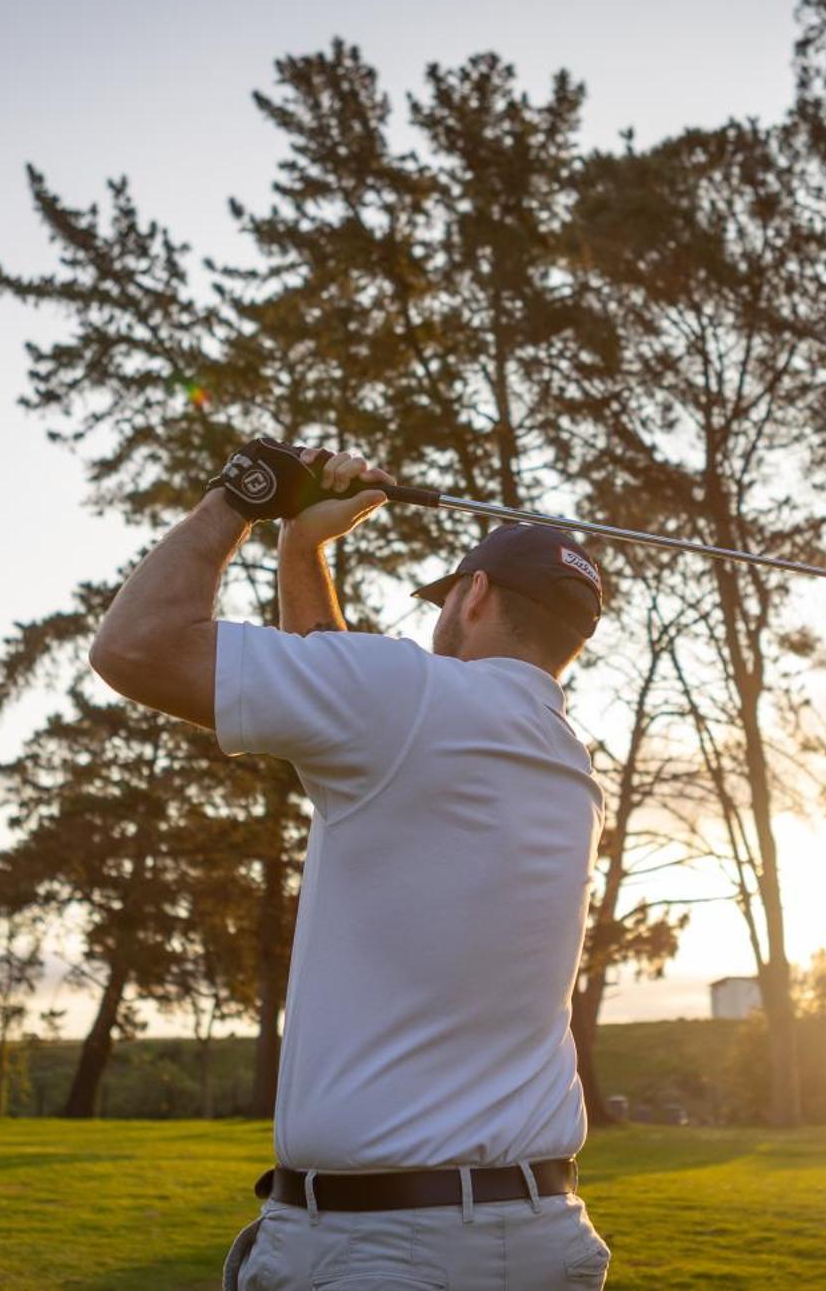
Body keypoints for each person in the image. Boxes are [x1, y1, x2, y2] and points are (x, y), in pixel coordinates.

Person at [88, 438, 614, 1290]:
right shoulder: (562, 757)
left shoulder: (414, 700)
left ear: (473, 595)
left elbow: (135, 646)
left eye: (448, 598)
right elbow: (336, 698)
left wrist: (243, 494)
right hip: (539, 1236)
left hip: (391, 1252)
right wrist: (304, 549)